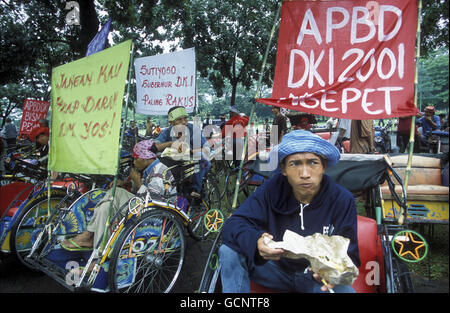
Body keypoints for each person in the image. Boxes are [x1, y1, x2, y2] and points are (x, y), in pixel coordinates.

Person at [218, 130, 360, 293]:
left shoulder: (341, 199)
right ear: (283, 169)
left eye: (313, 162)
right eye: (295, 164)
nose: (305, 174)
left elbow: (351, 254)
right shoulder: (271, 191)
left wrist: (332, 270)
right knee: (229, 251)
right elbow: (233, 225)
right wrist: (256, 241)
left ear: (324, 167)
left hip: (317, 278)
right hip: (275, 270)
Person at [61, 140, 175, 251]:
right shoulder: (149, 169)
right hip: (143, 204)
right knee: (105, 208)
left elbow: (153, 200)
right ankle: (98, 252)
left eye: (136, 158)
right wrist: (126, 182)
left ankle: (87, 234)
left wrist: (138, 182)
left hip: (155, 211)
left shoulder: (159, 171)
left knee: (117, 192)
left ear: (146, 158)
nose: (134, 162)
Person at [154, 106, 210, 198]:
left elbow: (206, 149)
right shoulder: (167, 132)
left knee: (202, 159)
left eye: (185, 118)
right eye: (179, 120)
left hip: (193, 164)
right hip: (177, 166)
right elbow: (155, 146)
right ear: (171, 123)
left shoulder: (193, 130)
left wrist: (191, 151)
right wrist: (170, 143)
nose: (184, 122)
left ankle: (195, 190)